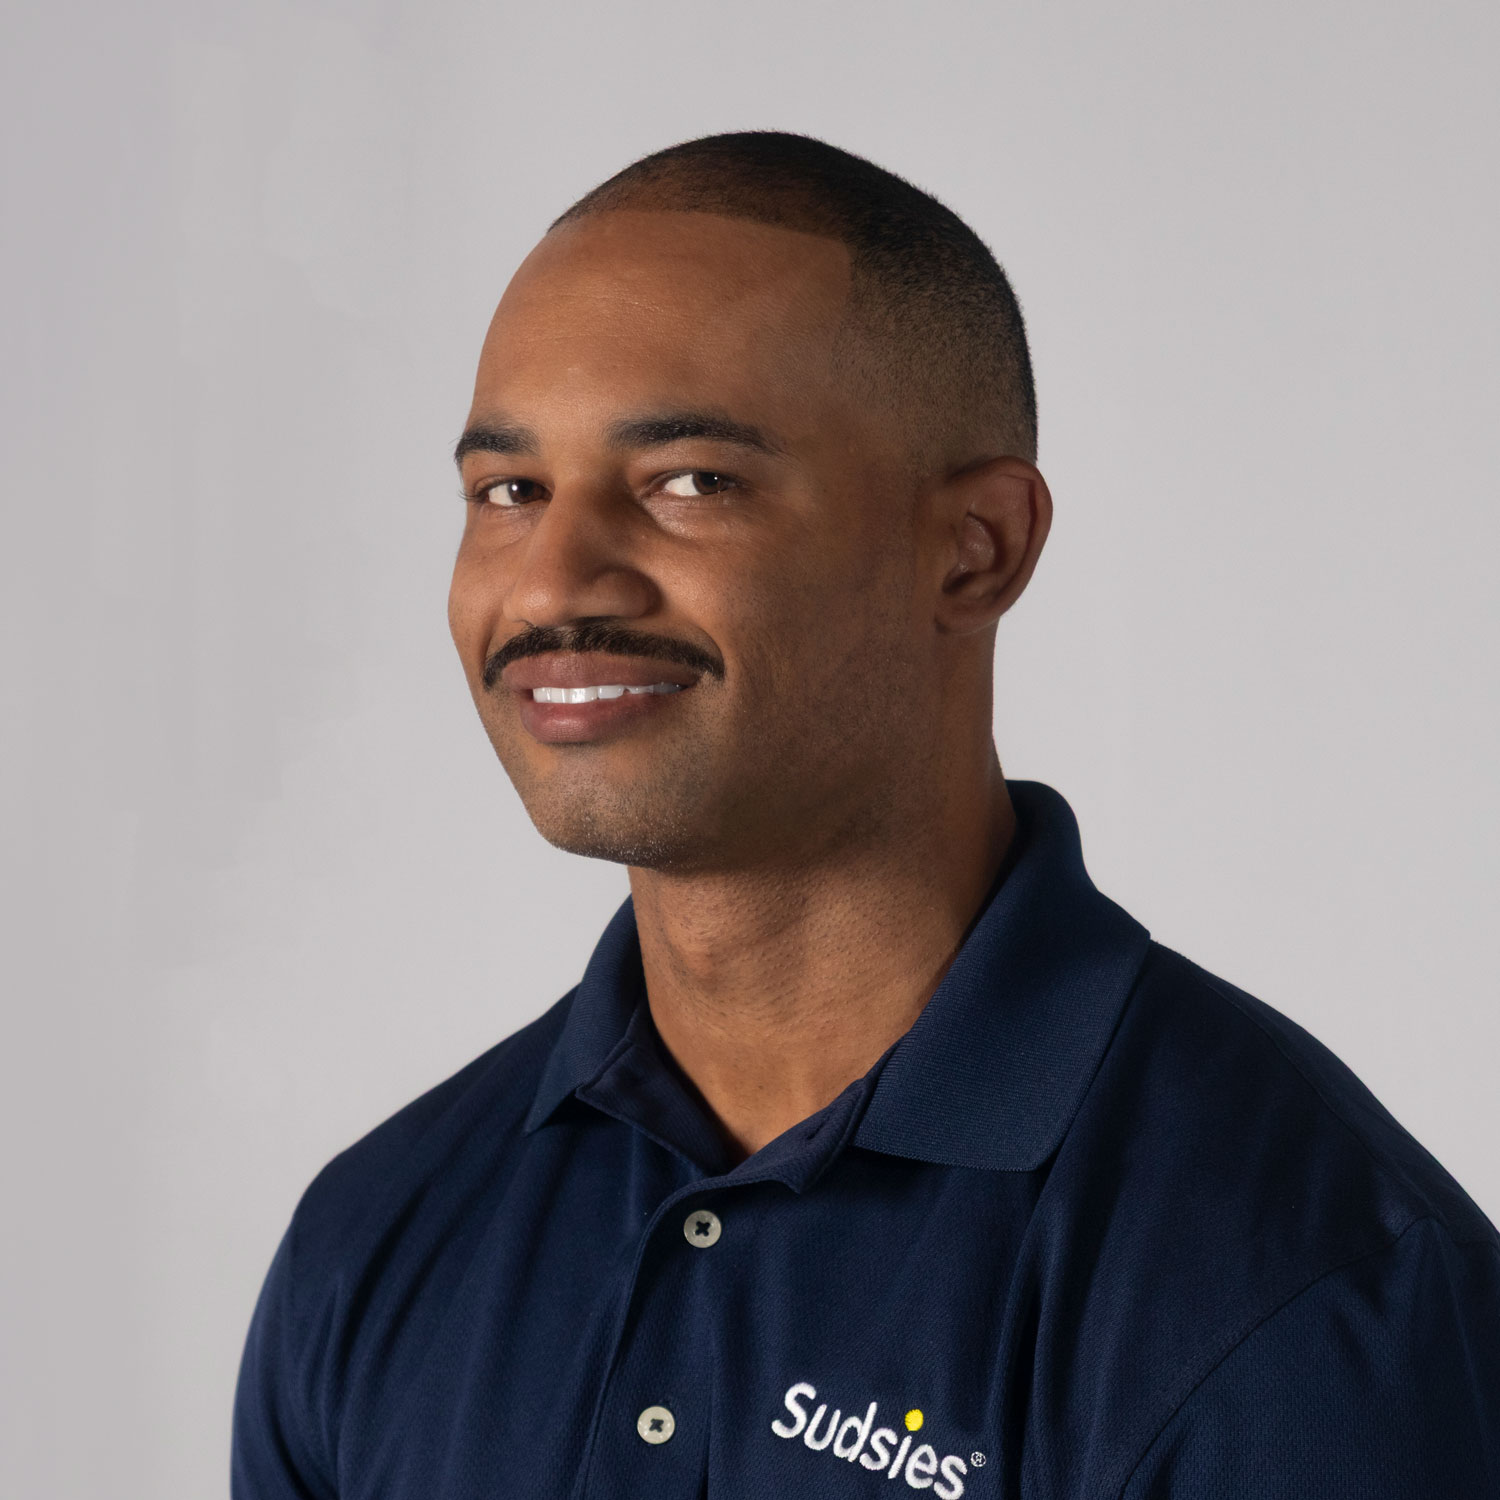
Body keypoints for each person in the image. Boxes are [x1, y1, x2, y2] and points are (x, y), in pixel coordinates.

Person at [232, 132, 1500, 1499]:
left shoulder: (1299, 1296)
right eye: (509, 492)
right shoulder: (373, 1245)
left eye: (690, 481)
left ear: (976, 549)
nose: (549, 582)